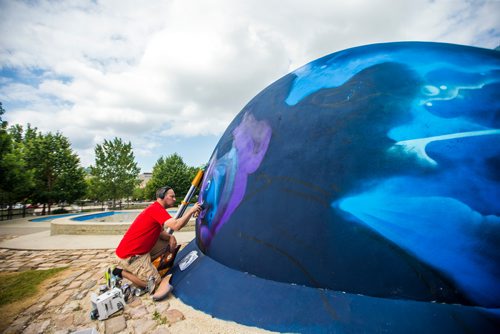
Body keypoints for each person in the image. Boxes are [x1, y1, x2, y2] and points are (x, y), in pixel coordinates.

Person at [107, 185, 201, 301]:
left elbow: (160, 232)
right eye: (172, 196)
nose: (175, 199)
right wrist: (191, 211)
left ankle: (145, 267)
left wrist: (170, 236)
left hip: (140, 250)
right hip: (131, 255)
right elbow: (176, 225)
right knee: (154, 282)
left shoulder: (156, 209)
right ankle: (119, 272)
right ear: (162, 197)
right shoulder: (156, 209)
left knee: (167, 243)